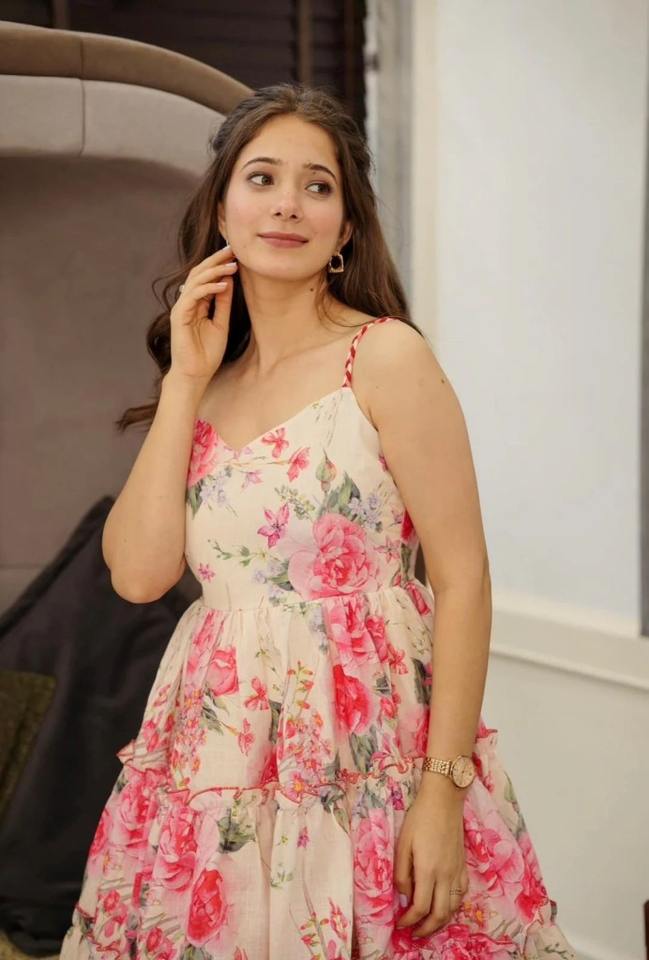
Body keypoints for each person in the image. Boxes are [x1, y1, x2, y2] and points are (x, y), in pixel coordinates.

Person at [60, 82, 577, 959]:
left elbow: (462, 579)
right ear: (220, 208)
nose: (287, 205)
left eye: (317, 185)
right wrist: (183, 382)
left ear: (345, 228)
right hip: (219, 753)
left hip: (369, 748)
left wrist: (441, 793)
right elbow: (140, 576)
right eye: (262, 178)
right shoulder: (204, 383)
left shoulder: (384, 357)